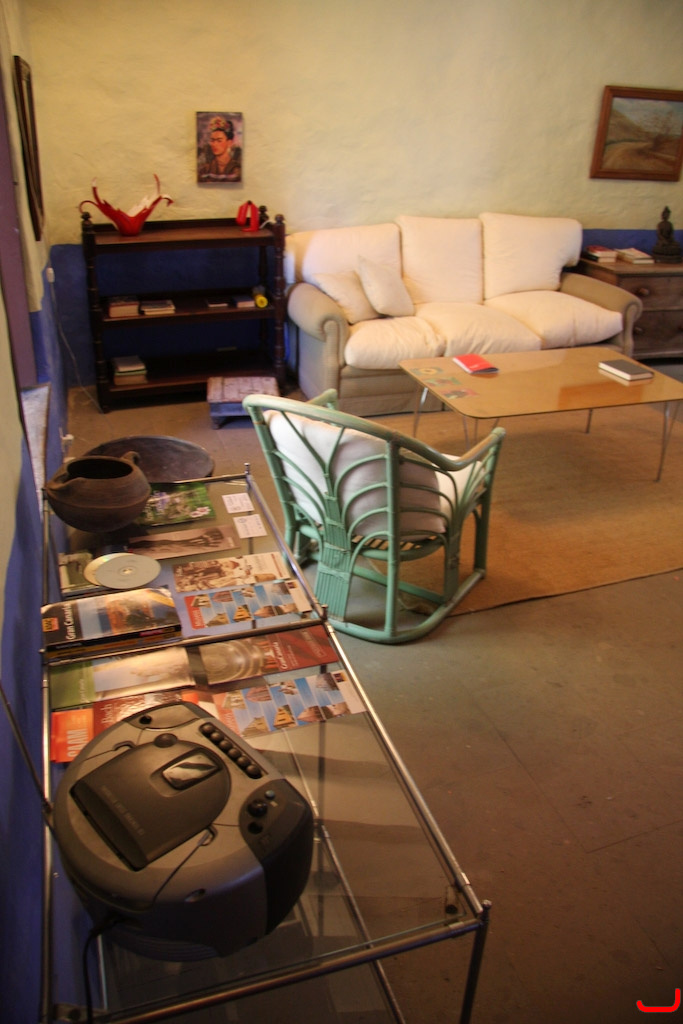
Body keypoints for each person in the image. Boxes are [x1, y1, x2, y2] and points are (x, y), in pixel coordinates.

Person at [199, 116, 242, 181]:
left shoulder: (236, 169)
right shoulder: (205, 170)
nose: (214, 144)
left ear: (229, 143)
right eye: (212, 140)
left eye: (219, 141)